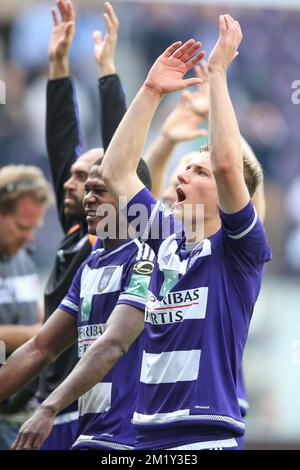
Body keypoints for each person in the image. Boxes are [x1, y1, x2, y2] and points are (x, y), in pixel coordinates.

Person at [98, 15, 271, 450]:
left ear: (228, 196)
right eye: (185, 167)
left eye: (199, 171)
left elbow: (231, 165)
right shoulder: (165, 237)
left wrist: (217, 76)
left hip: (202, 438)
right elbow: (116, 173)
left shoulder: (240, 249)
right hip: (144, 435)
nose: (183, 175)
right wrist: (151, 92)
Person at [0, 158, 155, 451]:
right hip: (91, 432)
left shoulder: (146, 258)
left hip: (131, 437)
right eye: (88, 190)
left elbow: (113, 345)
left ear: (128, 193)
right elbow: (41, 348)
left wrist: (48, 408)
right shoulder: (90, 266)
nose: (88, 199)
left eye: (99, 190)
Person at [37, 0, 126, 449]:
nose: (72, 184)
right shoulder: (75, 234)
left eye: (87, 178)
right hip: (45, 402)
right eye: (71, 178)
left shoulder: (107, 234)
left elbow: (122, 156)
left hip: (81, 407)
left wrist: (107, 70)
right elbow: (60, 144)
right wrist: (57, 65)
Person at [0, 164, 53, 449]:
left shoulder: (23, 256)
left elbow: (34, 310)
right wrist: (38, 335)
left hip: (22, 415)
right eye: (22, 227)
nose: (29, 237)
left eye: (34, 228)